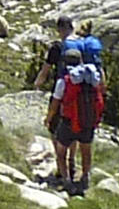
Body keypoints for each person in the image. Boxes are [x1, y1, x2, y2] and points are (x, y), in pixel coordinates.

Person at [41, 15, 108, 195]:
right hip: (87, 120)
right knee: (86, 149)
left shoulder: (65, 81)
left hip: (69, 119)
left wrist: (48, 118)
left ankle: (66, 178)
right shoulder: (90, 77)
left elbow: (55, 104)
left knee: (60, 150)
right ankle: (85, 176)